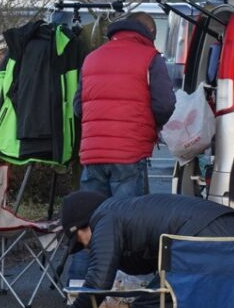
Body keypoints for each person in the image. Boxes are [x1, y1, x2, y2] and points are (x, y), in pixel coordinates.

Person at [48, 191, 234, 308]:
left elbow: (99, 278)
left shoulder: (103, 218)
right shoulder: (128, 209)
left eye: (81, 241)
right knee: (153, 306)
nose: (86, 247)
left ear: (84, 224)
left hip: (203, 244)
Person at [73, 12, 175, 198]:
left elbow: (78, 106)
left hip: (93, 155)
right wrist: (152, 125)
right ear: (150, 31)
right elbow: (165, 104)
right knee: (127, 219)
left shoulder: (92, 58)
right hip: (130, 153)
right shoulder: (150, 58)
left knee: (93, 218)